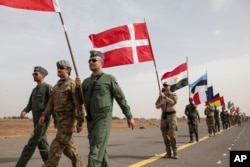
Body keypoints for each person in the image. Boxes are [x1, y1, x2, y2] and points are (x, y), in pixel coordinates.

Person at [75, 50, 135, 167]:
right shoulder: (86, 82)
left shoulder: (109, 79)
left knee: (95, 151)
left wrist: (129, 116)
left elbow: (120, 98)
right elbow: (80, 100)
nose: (91, 62)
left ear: (101, 63)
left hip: (103, 119)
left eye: (94, 60)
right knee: (99, 149)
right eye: (89, 61)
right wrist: (78, 88)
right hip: (91, 120)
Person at [39, 60, 84, 167]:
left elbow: (79, 104)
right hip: (60, 120)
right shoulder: (56, 86)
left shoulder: (72, 84)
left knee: (55, 147)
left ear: (68, 70)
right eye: (58, 68)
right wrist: (44, 114)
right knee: (68, 149)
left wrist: (80, 121)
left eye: (61, 68)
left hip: (68, 120)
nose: (58, 69)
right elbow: (51, 103)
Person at [15, 66, 56, 167]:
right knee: (42, 143)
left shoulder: (48, 88)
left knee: (32, 142)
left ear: (43, 75)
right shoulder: (34, 90)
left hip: (43, 119)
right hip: (35, 119)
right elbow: (30, 104)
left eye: (36, 74)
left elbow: (53, 104)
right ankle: (50, 164)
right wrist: (25, 111)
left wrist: (56, 119)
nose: (34, 75)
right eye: (33, 74)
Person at [155, 82, 178, 159]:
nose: (165, 86)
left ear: (169, 86)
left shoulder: (173, 95)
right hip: (164, 116)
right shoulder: (160, 96)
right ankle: (168, 152)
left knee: (172, 134)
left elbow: (172, 102)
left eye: (166, 85)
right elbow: (157, 106)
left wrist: (164, 97)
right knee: (165, 135)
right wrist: (161, 102)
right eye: (164, 85)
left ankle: (175, 152)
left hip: (172, 115)